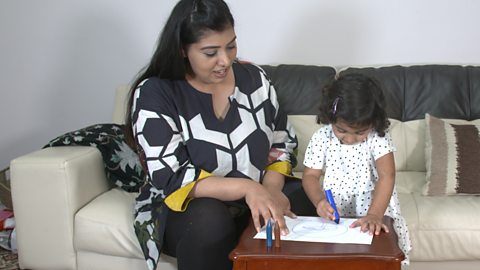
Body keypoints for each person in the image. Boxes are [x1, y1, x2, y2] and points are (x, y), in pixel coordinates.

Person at [124, 1, 310, 269]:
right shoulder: (156, 92)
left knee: (305, 198)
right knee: (210, 221)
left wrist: (269, 191)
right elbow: (173, 176)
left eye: (231, 46)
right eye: (211, 52)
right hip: (189, 205)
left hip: (256, 194)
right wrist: (250, 189)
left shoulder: (254, 78)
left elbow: (281, 143)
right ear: (182, 50)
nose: (226, 60)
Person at [301, 73, 412, 265]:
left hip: (373, 208)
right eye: (341, 130)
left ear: (373, 122)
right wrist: (319, 201)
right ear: (330, 117)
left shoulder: (378, 137)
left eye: (360, 132)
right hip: (337, 209)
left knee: (377, 259)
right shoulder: (322, 137)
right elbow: (310, 175)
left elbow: (387, 175)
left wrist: (374, 215)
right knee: (341, 261)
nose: (350, 139)